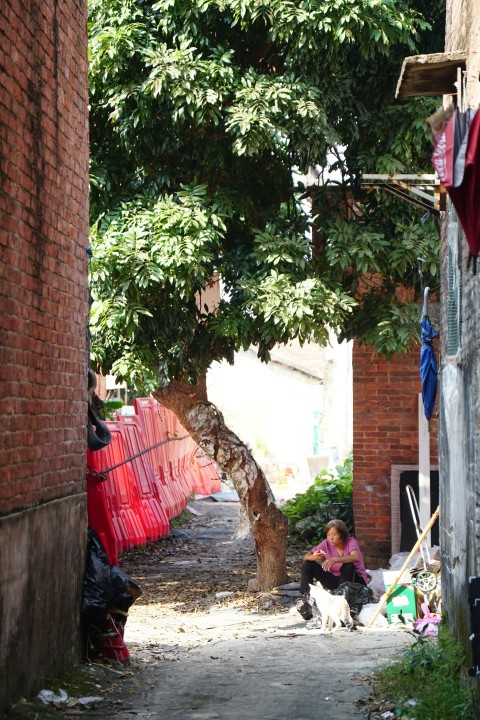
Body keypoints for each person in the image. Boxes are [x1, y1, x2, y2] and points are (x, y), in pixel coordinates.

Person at [297, 519, 369, 620]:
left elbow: (355, 557)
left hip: (355, 582)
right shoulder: (326, 543)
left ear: (342, 535)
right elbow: (306, 556)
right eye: (329, 534)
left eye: (334, 534)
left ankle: (341, 604)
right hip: (336, 581)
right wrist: (313, 557)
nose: (331, 537)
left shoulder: (351, 541)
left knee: (348, 566)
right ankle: (306, 602)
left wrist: (335, 559)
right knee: (307, 564)